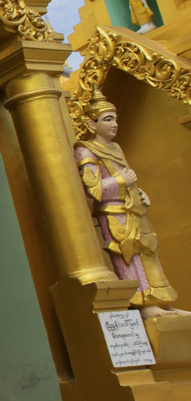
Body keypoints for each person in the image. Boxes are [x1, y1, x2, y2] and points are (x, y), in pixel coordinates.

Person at [74, 91, 185, 318]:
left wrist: (139, 192)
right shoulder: (85, 150)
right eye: (107, 119)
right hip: (114, 215)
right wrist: (122, 181)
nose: (115, 124)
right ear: (90, 124)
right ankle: (142, 305)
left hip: (134, 211)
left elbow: (127, 178)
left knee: (148, 254)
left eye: (115, 118)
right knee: (128, 256)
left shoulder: (116, 148)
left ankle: (159, 301)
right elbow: (93, 189)